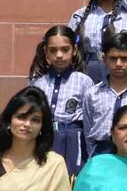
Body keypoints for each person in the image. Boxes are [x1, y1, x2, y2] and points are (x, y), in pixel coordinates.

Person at [28, 24, 94, 175]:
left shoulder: (84, 81)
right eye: (53, 50)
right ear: (46, 52)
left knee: (71, 178)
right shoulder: (37, 82)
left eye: (65, 49)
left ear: (74, 50)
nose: (59, 55)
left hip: (74, 139)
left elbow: (90, 119)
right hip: (45, 138)